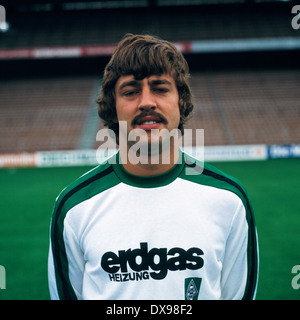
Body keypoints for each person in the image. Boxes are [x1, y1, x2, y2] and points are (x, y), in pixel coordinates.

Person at [48, 33, 258, 300]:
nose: (146, 101)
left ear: (180, 102)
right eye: (131, 91)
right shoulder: (74, 207)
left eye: (160, 88)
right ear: (114, 107)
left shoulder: (230, 200)